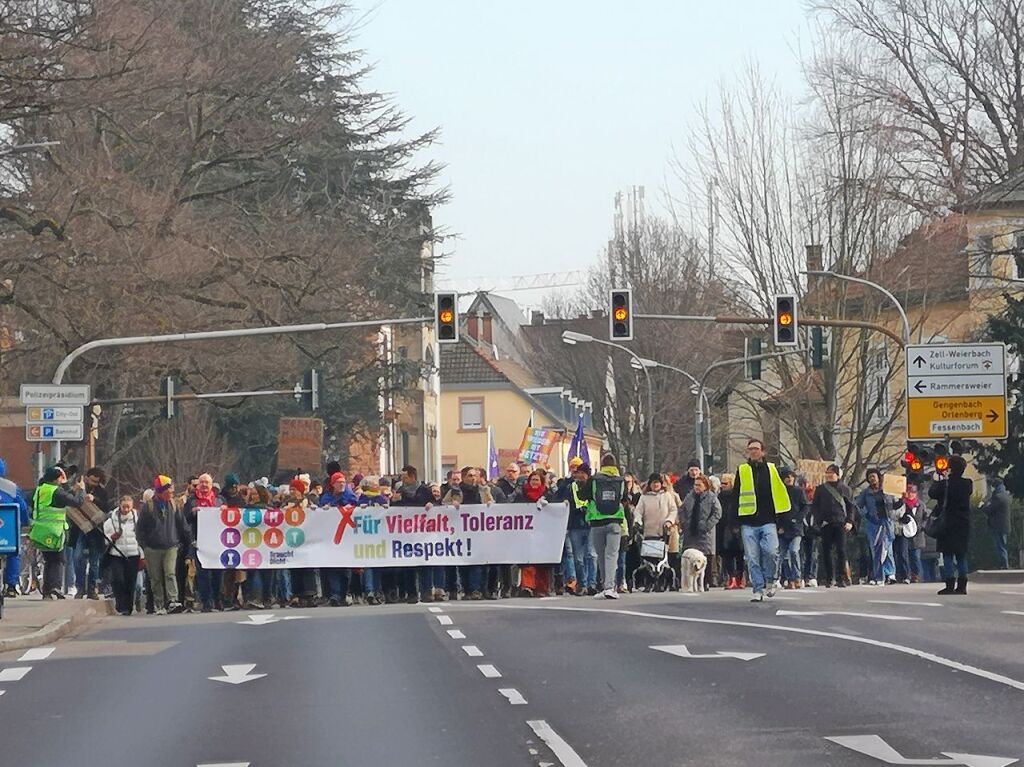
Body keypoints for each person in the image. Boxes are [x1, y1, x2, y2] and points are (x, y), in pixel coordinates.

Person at [730, 439, 791, 602]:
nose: (753, 451)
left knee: (771, 552)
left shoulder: (771, 469)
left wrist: (783, 522)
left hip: (768, 520)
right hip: (748, 521)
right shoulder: (742, 470)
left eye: (756, 449)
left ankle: (771, 580)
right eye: (750, 449)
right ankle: (758, 588)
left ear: (763, 451)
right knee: (752, 557)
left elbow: (780, 495)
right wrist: (734, 522)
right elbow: (735, 495)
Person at [577, 454, 631, 599]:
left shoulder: (594, 479)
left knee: (601, 554)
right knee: (612, 555)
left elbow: (582, 496)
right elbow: (625, 499)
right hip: (615, 521)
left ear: (601, 464)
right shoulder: (621, 481)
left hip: (597, 521)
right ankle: (609, 587)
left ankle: (604, 586)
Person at [30, 466, 85, 600]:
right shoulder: (56, 491)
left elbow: (64, 497)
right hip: (54, 530)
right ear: (57, 478)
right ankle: (55, 586)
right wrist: (81, 489)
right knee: (59, 560)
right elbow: (77, 501)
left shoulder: (40, 489)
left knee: (49, 560)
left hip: (39, 530)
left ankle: (47, 591)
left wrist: (68, 486)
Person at [137, 475, 188, 614]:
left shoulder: (174, 505)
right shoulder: (148, 507)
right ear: (160, 491)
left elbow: (182, 526)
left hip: (171, 545)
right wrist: (144, 546)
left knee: (170, 573)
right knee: (155, 577)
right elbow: (140, 529)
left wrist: (185, 541)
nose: (171, 493)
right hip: (152, 548)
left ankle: (172, 600)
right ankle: (159, 604)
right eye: (168, 491)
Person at [930, 455, 972, 595]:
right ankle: (962, 585)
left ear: (950, 468)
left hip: (947, 523)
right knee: (961, 555)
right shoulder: (968, 484)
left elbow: (932, 494)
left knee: (947, 554)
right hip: (963, 523)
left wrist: (937, 480)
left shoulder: (945, 484)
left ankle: (949, 584)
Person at [812, 464, 856, 588]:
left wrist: (850, 521)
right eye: (827, 472)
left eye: (831, 472)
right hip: (826, 523)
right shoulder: (821, 489)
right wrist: (818, 520)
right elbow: (815, 506)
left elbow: (851, 507)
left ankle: (841, 577)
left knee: (841, 551)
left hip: (841, 523)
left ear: (837, 474)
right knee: (826, 551)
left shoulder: (845, 489)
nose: (829, 475)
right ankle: (829, 577)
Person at [184, 474, 223, 612]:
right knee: (202, 573)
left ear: (212, 484)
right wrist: (192, 512)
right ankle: (206, 602)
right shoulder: (191, 501)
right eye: (202, 482)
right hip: (199, 541)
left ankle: (217, 600)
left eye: (207, 482)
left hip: (217, 542)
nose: (204, 485)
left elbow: (229, 519)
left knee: (218, 573)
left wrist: (225, 512)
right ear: (198, 485)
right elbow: (185, 520)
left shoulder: (219, 500)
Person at [856, 468, 902, 585]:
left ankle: (890, 574)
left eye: (874, 476)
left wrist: (902, 498)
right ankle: (878, 575)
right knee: (876, 550)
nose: (872, 479)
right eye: (870, 477)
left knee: (888, 549)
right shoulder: (866, 493)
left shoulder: (887, 490)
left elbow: (895, 505)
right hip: (873, 523)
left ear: (878, 477)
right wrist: (866, 514)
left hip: (886, 522)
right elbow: (857, 505)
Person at [320, 471, 359, 607]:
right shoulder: (327, 496)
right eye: (339, 482)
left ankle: (344, 593)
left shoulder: (349, 495)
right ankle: (335, 594)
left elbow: (356, 503)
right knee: (333, 567)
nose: (342, 484)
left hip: (347, 538)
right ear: (333, 484)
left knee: (345, 568)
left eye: (343, 482)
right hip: (332, 537)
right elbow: (323, 505)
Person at [514, 470, 556, 597]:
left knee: (542, 561)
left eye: (537, 480)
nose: (534, 482)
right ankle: (527, 586)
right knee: (527, 559)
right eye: (532, 480)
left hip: (543, 533)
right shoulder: (521, 494)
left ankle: (542, 588)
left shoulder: (548, 495)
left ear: (542, 482)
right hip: (526, 532)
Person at [679, 473, 722, 591]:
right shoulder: (689, 497)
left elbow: (717, 513)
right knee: (691, 558)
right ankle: (689, 582)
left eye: (699, 485)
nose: (696, 487)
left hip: (705, 533)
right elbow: (682, 510)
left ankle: (706, 581)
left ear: (705, 485)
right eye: (695, 485)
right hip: (690, 532)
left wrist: (707, 525)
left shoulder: (711, 497)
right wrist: (684, 523)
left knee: (705, 557)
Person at [73, 467, 110, 600]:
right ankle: (80, 588)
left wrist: (94, 499)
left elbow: (107, 507)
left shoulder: (102, 492)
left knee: (94, 562)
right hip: (80, 528)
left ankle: (92, 589)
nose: (94, 484)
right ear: (87, 477)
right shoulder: (78, 487)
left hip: (96, 530)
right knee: (78, 558)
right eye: (92, 481)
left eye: (96, 482)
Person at [559, 461, 596, 596]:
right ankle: (582, 583)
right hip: (575, 524)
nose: (580, 475)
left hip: (590, 523)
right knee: (578, 558)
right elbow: (560, 495)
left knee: (591, 555)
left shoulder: (594, 485)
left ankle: (592, 584)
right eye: (578, 472)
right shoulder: (570, 486)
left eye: (582, 473)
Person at [103, 495, 141, 616]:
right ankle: (120, 605)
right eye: (124, 506)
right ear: (119, 505)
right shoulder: (111, 520)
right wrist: (112, 537)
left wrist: (142, 555)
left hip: (133, 554)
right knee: (118, 580)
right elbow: (105, 538)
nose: (125, 509)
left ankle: (128, 607)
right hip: (116, 554)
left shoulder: (137, 519)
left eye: (128, 507)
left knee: (131, 581)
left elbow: (141, 538)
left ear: (132, 506)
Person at [0, 458, 30, 598]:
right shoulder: (11, 487)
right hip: (8, 532)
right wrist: (25, 522)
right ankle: (11, 585)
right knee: (14, 553)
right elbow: (22, 507)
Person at [778, 468, 807, 590]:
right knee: (782, 555)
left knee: (794, 551)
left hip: (796, 528)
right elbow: (777, 511)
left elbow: (805, 507)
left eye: (791, 476)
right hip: (783, 528)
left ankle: (797, 577)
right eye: (787, 476)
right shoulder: (779, 492)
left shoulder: (798, 491)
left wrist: (798, 519)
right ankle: (789, 579)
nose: (789, 478)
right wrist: (779, 526)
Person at [718, 473, 744, 590]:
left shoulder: (737, 496)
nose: (722, 486)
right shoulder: (719, 497)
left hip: (737, 527)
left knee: (739, 554)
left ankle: (739, 577)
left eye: (725, 483)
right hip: (723, 527)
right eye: (721, 483)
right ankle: (731, 577)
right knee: (726, 554)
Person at [984, 479, 1011, 570]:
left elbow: (990, 509)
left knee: (1000, 546)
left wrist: (984, 505)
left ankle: (1003, 564)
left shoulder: (997, 497)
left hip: (997, 526)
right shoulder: (1005, 495)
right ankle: (1004, 564)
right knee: (1003, 544)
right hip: (1004, 525)